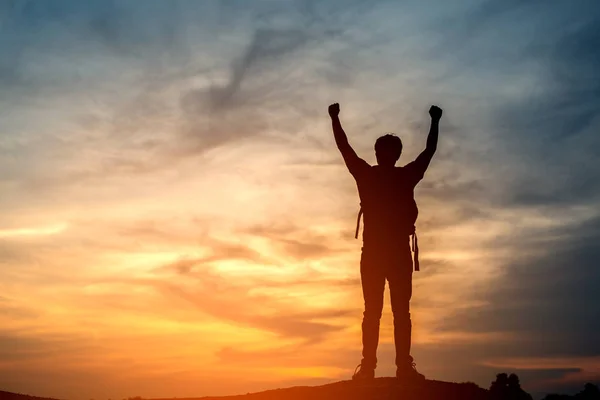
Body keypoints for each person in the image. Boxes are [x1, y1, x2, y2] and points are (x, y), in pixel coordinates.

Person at [328, 102, 443, 381]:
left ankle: (384, 366)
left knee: (381, 313)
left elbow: (345, 148)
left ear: (381, 153)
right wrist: (435, 121)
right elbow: (429, 152)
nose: (387, 154)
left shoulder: (370, 174)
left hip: (383, 254)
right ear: (391, 153)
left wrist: (334, 118)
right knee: (391, 313)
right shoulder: (402, 175)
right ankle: (381, 366)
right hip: (386, 254)